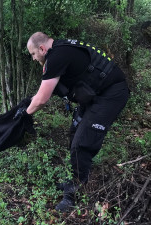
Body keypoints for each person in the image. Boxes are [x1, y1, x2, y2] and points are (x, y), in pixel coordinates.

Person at [15, 32, 129, 212]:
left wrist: (25, 116)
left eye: (33, 54)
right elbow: (45, 91)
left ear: (42, 49)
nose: (34, 59)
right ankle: (75, 177)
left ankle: (74, 194)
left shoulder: (57, 56)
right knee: (75, 131)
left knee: (81, 143)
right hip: (94, 94)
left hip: (111, 95)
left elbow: (42, 99)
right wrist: (27, 105)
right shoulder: (60, 50)